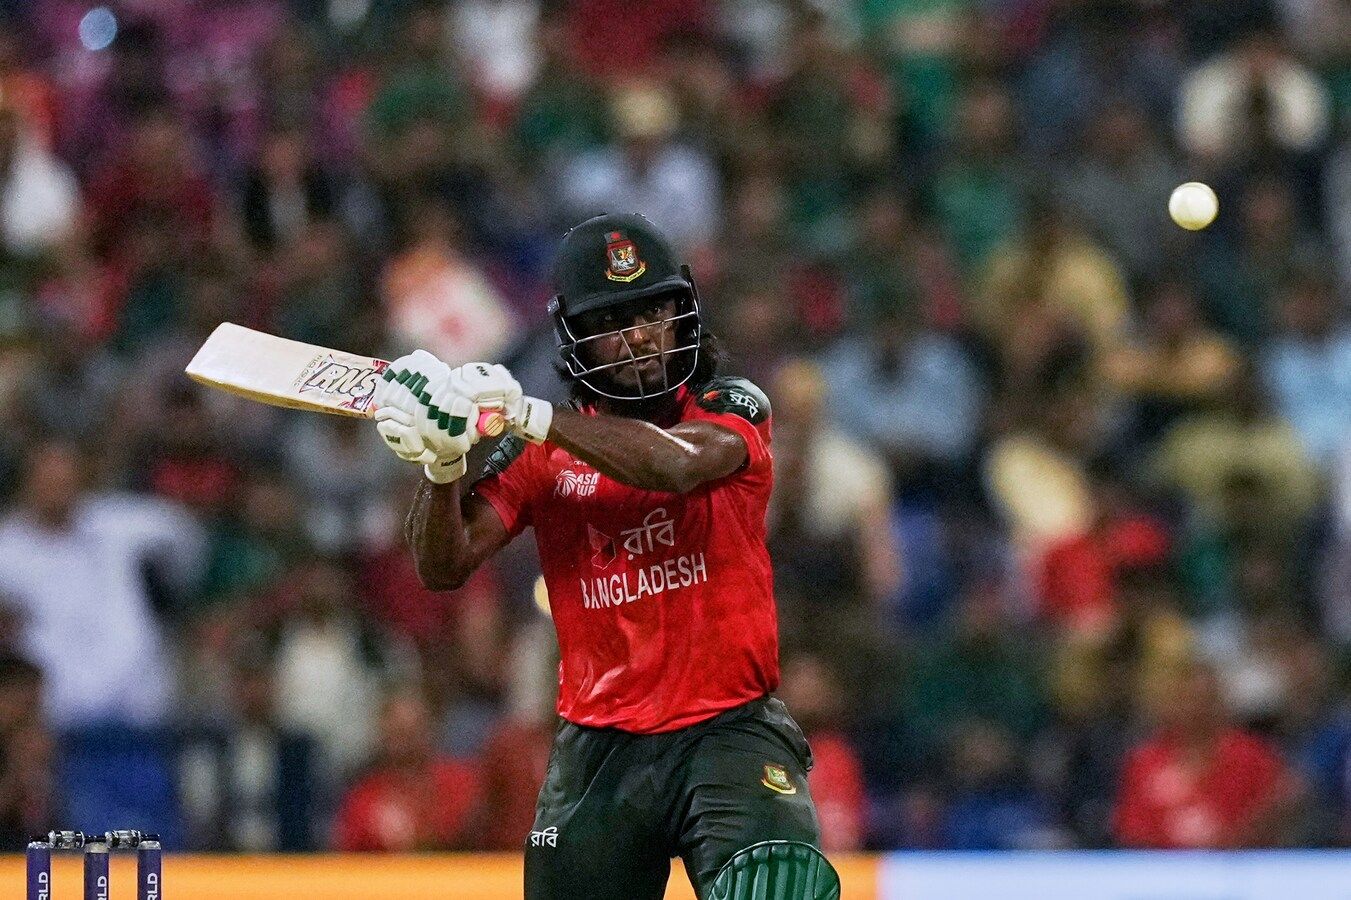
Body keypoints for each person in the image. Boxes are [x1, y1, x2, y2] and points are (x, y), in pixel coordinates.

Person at [371, 213, 830, 898]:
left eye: (653, 311)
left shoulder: (731, 404)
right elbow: (443, 566)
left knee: (776, 886)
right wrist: (441, 467)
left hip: (729, 731)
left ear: (682, 313)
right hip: (599, 749)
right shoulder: (535, 452)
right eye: (613, 320)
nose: (640, 335)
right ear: (576, 337)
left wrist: (529, 416)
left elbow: (677, 466)